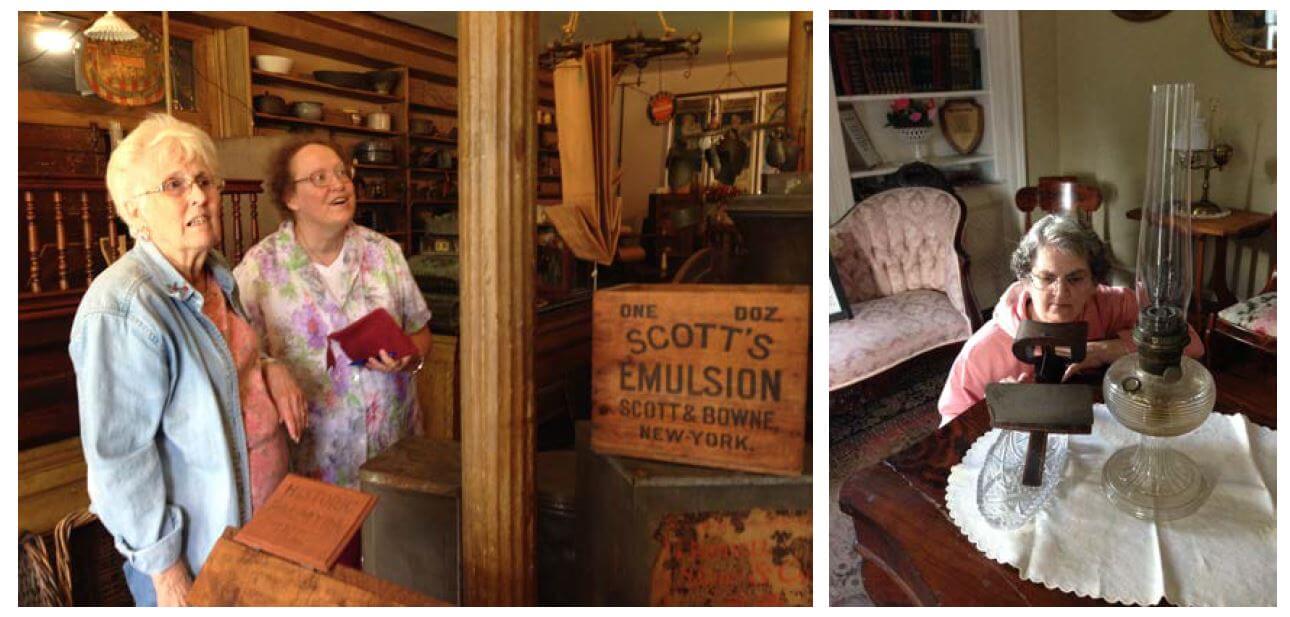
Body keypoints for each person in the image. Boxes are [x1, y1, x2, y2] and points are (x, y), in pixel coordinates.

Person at [69, 114, 307, 606]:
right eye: (175, 184)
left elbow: (226, 359)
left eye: (204, 181)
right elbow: (119, 460)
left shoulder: (218, 275)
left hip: (260, 531)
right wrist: (167, 574)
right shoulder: (124, 308)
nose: (198, 195)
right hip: (199, 560)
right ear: (135, 211)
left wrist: (269, 364)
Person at [234, 140, 433, 490]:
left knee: (395, 544)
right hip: (315, 464)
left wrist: (408, 356)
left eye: (342, 173)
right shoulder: (259, 270)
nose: (339, 184)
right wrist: (269, 368)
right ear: (290, 197)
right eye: (320, 177)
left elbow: (421, 332)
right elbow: (235, 359)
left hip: (394, 453)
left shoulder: (385, 254)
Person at [938, 214, 1204, 424]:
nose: (1061, 293)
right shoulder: (983, 350)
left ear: (1094, 282)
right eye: (1047, 278)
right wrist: (995, 409)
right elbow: (950, 425)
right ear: (1026, 280)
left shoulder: (1112, 304)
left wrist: (1108, 349)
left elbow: (1192, 343)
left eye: (1075, 279)